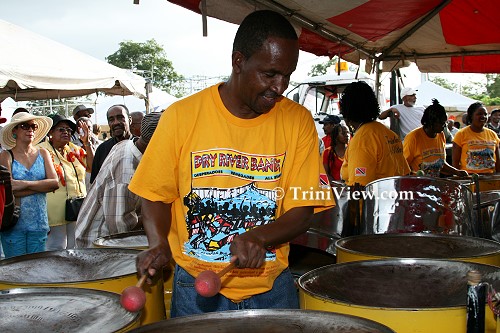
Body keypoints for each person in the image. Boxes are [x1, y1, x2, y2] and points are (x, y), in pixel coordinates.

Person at [128, 10, 334, 317]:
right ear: (238, 61)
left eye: (287, 76)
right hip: (195, 287)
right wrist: (158, 244)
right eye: (270, 74)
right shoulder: (180, 117)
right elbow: (154, 194)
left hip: (272, 289)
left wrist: (259, 237)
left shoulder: (299, 121)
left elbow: (303, 212)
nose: (280, 87)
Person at [75, 112, 161, 248]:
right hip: (98, 245)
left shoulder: (128, 144)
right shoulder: (125, 175)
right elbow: (120, 228)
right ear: (157, 143)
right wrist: (157, 214)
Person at [0, 113, 58, 258]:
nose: (30, 129)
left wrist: (23, 184)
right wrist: (41, 187)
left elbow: (54, 183)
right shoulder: (6, 156)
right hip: (13, 224)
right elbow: (8, 191)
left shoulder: (43, 153)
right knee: (16, 273)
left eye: (33, 126)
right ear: (14, 131)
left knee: (37, 273)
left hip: (39, 225)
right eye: (25, 126)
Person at [340, 81, 410, 187]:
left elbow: (359, 188)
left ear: (346, 111)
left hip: (374, 201)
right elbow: (405, 173)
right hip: (394, 198)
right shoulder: (390, 134)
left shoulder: (362, 141)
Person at [38, 115, 88, 250]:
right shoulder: (40, 151)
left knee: (76, 246)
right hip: (54, 211)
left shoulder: (74, 149)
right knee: (56, 246)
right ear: (50, 132)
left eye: (69, 130)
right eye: (61, 129)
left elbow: (91, 167)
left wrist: (86, 142)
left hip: (77, 207)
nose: (66, 132)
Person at [403, 99, 468, 177]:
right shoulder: (413, 137)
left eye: (445, 122)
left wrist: (457, 172)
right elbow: (403, 166)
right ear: (431, 122)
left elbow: (440, 163)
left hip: (434, 184)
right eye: (441, 123)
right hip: (416, 185)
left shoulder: (441, 135)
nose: (444, 126)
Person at [90, 104, 133, 183]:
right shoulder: (102, 149)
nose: (116, 122)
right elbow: (95, 183)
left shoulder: (140, 146)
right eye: (111, 119)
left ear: (130, 120)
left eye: (120, 118)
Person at [453, 102, 500, 174]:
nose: (483, 116)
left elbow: (498, 162)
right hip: (470, 179)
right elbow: (455, 163)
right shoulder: (461, 134)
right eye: (479, 114)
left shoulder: (493, 134)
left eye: (485, 114)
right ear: (471, 116)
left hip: (490, 178)